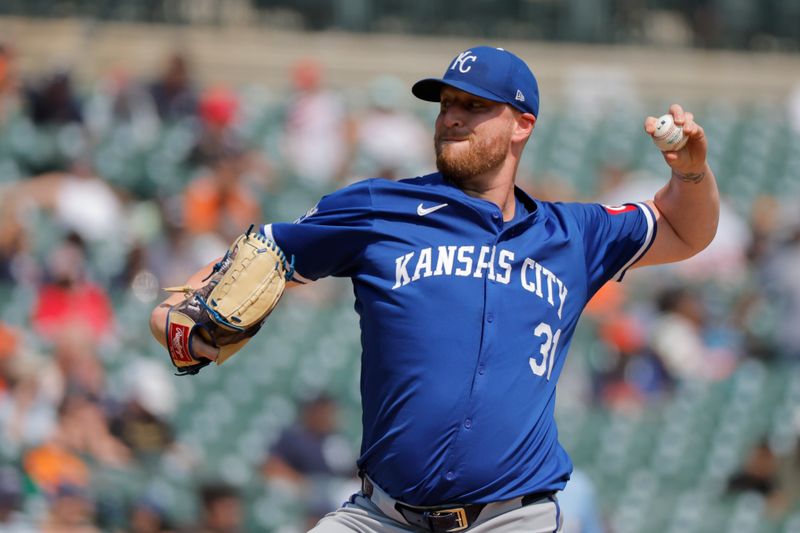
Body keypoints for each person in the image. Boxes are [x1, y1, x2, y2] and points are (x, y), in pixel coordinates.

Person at [150, 46, 719, 532]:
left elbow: (684, 229)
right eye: (447, 104)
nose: (453, 117)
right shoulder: (377, 207)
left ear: (523, 123)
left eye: (475, 106)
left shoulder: (573, 235)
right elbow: (242, 267)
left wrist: (691, 172)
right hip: (383, 516)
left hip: (512, 518)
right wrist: (181, 324)